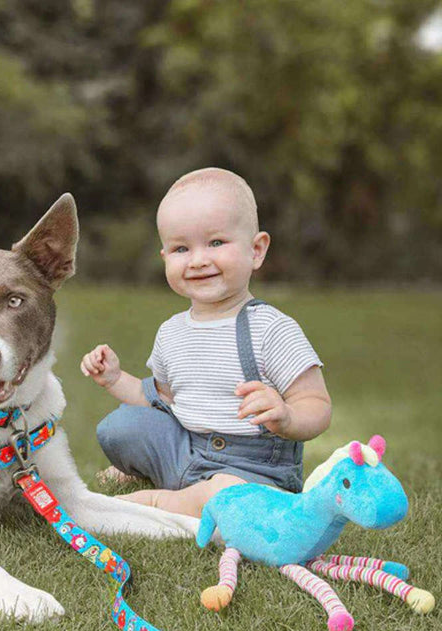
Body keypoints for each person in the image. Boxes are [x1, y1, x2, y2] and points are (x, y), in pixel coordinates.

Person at [81, 167, 332, 519]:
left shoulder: (271, 329)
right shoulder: (172, 332)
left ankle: (158, 501)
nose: (198, 260)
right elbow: (161, 402)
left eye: (216, 243)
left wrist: (288, 417)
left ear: (256, 250)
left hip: (252, 468)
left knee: (228, 493)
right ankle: (173, 483)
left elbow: (317, 404)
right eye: (181, 248)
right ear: (165, 258)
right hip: (188, 449)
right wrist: (114, 379)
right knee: (120, 427)